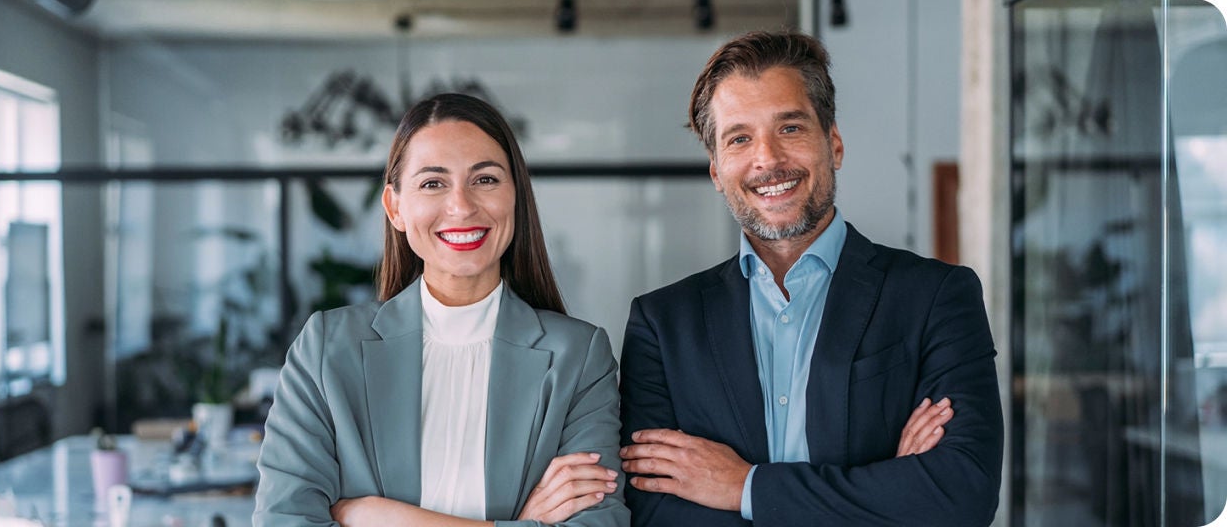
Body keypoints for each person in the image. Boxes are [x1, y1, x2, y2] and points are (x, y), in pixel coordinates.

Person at [618, 31, 1003, 526]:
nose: (768, 159)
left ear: (834, 144)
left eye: (791, 128)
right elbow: (655, 515)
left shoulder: (937, 297)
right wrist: (885, 486)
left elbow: (961, 494)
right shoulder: (661, 324)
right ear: (716, 170)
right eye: (739, 138)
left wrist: (743, 487)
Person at [255, 93, 629, 527]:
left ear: (516, 197)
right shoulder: (325, 350)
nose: (462, 206)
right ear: (395, 207)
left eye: (485, 179)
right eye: (433, 183)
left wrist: (377, 517)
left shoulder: (578, 357)